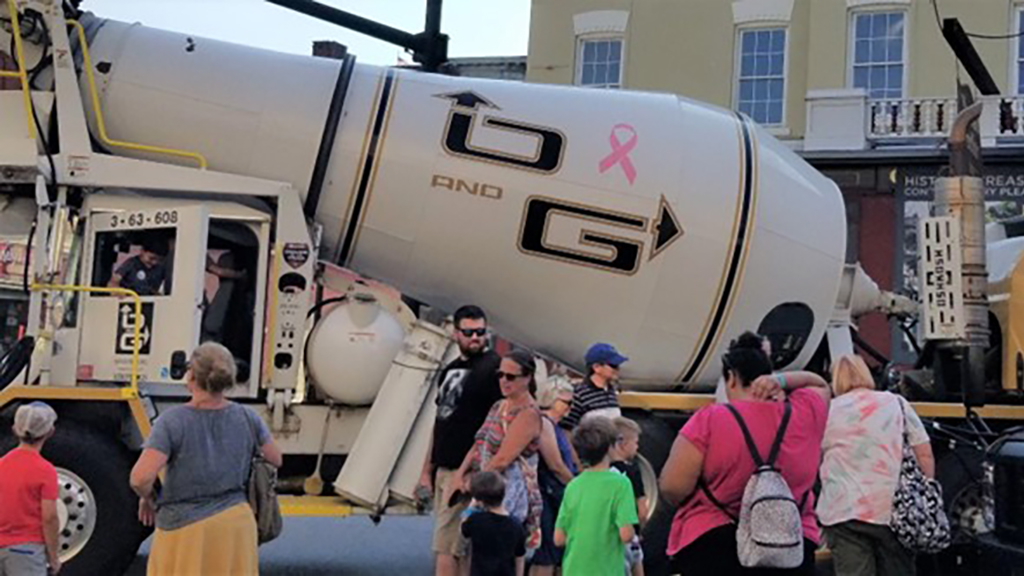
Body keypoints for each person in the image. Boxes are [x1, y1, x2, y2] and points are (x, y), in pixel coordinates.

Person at [659, 332, 830, 575]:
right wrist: (780, 380)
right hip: (791, 543)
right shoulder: (804, 413)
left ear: (731, 378)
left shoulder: (709, 420)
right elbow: (819, 384)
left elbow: (673, 486)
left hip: (714, 540)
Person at [130, 342, 283, 575]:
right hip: (236, 525)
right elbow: (275, 459)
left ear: (191, 376)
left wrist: (147, 497)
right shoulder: (247, 417)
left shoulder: (172, 422)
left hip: (185, 529)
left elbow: (140, 478)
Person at [817, 354, 934, 576]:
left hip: (843, 511)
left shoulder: (827, 411)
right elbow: (924, 453)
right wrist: (926, 492)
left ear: (835, 380)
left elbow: (816, 458)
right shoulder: (896, 403)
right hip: (893, 510)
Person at [418, 305, 503, 576]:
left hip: (468, 471)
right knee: (458, 547)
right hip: (445, 468)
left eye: (480, 331)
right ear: (456, 333)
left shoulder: (494, 368)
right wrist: (426, 471)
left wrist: (472, 472)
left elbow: (494, 426)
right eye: (468, 332)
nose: (475, 337)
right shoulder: (450, 370)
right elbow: (440, 421)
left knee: (448, 546)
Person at [449, 350, 544, 552]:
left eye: (510, 376)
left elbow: (503, 459)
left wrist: (473, 484)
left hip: (505, 494)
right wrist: (459, 475)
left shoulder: (528, 413)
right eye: (500, 375)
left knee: (497, 554)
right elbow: (479, 442)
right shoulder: (499, 405)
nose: (503, 381)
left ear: (527, 378)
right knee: (470, 549)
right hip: (484, 488)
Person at [554, 417, 637, 576]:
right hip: (607, 570)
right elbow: (626, 535)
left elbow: (559, 538)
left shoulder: (573, 485)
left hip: (573, 570)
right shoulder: (620, 484)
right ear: (610, 448)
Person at [0, 402, 61, 576]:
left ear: (14, 429)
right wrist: (53, 556)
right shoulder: (45, 470)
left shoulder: (1, 464)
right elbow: (49, 517)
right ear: (50, 432)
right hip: (26, 550)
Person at [531, 378, 578, 576]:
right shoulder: (545, 424)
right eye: (567, 402)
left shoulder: (555, 427)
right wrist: (577, 486)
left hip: (555, 494)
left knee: (554, 552)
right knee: (547, 553)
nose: (570, 407)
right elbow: (555, 465)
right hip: (548, 495)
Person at [461, 471, 527, 576]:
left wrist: (470, 508)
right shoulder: (515, 525)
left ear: (480, 501)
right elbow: (519, 556)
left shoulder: (476, 521)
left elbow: (463, 529)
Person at [560, 343, 628, 432]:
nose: (618, 369)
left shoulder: (611, 392)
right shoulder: (579, 393)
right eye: (613, 365)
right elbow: (566, 427)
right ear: (596, 367)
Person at [610, 417, 648, 576]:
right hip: (629, 534)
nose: (637, 447)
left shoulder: (603, 472)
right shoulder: (632, 472)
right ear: (623, 444)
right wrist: (640, 528)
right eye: (636, 443)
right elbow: (642, 510)